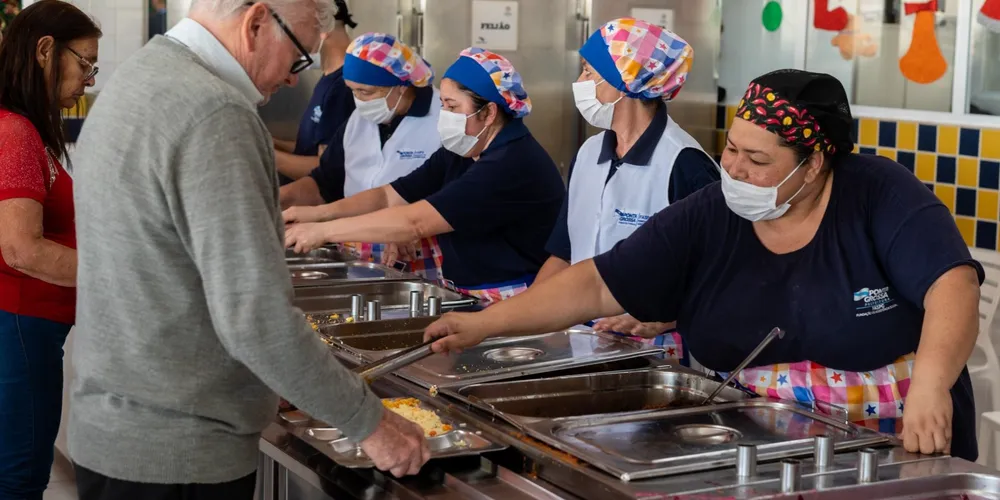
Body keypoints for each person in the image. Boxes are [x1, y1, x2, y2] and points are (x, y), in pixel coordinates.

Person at [423, 69, 983, 462]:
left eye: (757, 160)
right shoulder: (715, 209)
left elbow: (950, 285)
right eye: (732, 148)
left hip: (887, 442)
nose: (734, 169)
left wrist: (933, 385)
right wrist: (483, 324)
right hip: (750, 439)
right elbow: (597, 282)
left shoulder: (880, 194)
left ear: (814, 165)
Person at [69, 0, 429, 497]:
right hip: (180, 451)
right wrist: (369, 422)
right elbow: (253, 315)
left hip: (114, 428)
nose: (290, 79)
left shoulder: (141, 75)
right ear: (257, 21)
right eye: (298, 56)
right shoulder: (215, 112)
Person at [284, 48, 565, 305]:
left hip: (516, 297)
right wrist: (318, 215)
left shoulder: (510, 163)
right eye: (443, 105)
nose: (444, 115)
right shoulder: (463, 151)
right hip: (468, 292)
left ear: (489, 112)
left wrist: (323, 231)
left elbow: (415, 222)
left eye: (453, 107)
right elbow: (388, 195)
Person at [539, 18, 719, 355]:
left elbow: (720, 273)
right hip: (581, 337)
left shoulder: (684, 164)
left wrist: (666, 318)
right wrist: (522, 318)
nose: (579, 82)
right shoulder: (589, 153)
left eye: (588, 72)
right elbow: (565, 254)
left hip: (654, 353)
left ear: (624, 81)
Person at [0, 2, 99, 497]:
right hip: (19, 336)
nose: (88, 80)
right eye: (85, 63)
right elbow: (22, 248)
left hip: (27, 335)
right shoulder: (14, 131)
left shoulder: (24, 129)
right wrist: (120, 275)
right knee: (19, 479)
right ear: (45, 50)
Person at [280, 32, 443, 279]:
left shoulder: (444, 119)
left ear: (399, 86)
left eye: (366, 92)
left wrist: (401, 227)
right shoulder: (358, 121)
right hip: (356, 248)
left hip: (419, 250)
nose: (359, 101)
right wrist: (277, 201)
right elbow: (325, 182)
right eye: (353, 91)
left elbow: (452, 193)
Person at [273, 0, 356, 184]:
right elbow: (307, 148)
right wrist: (270, 142)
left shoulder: (344, 86)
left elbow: (326, 166)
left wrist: (267, 154)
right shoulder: (328, 78)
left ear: (323, 26)